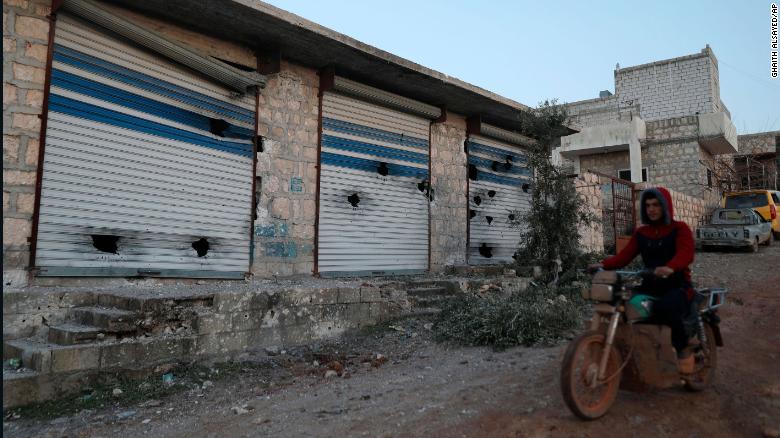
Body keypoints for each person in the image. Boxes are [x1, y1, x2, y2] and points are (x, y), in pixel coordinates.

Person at [589, 186, 696, 373]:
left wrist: (670, 267)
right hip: (650, 286)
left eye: (656, 205)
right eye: (647, 206)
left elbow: (686, 254)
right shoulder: (641, 233)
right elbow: (624, 257)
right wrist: (603, 265)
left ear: (666, 206)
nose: (651, 209)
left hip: (677, 285)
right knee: (626, 308)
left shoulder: (680, 229)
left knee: (666, 307)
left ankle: (683, 350)